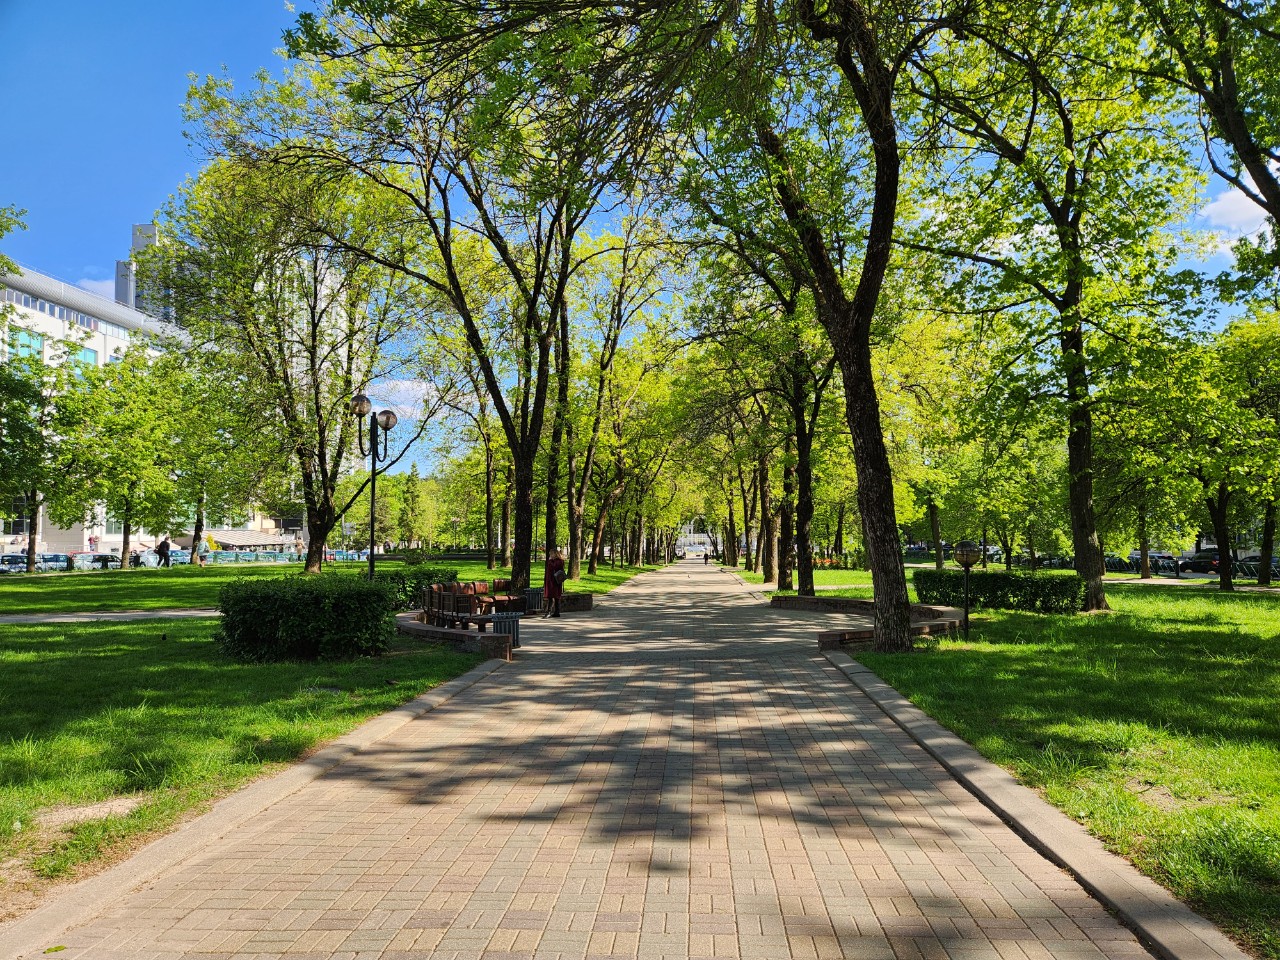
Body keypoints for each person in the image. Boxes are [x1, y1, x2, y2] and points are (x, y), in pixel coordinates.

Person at [543, 547, 566, 618]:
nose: (550, 555)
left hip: (555, 581)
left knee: (553, 596)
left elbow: (553, 567)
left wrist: (550, 561)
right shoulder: (554, 561)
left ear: (555, 554)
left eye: (551, 554)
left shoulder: (559, 561)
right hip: (551, 581)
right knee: (553, 596)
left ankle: (549, 612)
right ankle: (556, 612)